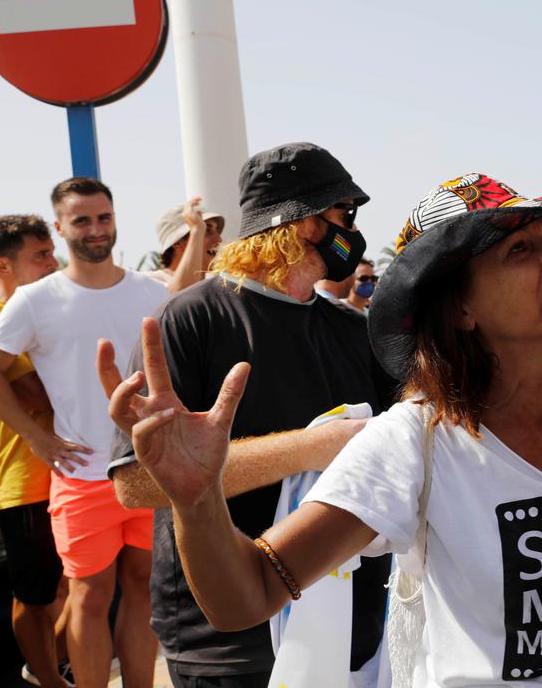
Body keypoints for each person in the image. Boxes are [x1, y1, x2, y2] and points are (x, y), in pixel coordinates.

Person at [106, 174, 542, 685]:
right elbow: (248, 596)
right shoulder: (413, 442)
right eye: (520, 249)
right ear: (459, 307)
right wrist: (197, 499)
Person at [101, 142, 397, 688]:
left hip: (350, 623)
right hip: (227, 636)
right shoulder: (191, 318)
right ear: (302, 223)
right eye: (344, 215)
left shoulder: (355, 331)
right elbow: (137, 485)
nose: (352, 232)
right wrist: (315, 447)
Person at [0, 178, 166, 688]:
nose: (95, 229)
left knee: (142, 591)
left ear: (114, 219)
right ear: (60, 227)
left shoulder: (154, 292)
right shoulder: (35, 300)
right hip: (82, 475)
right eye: (81, 220)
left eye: (103, 218)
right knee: (88, 597)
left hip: (147, 470)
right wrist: (36, 439)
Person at [0, 215, 71, 688]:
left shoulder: (48, 312)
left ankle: (47, 667)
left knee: (77, 583)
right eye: (39, 256)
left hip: (69, 472)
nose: (52, 263)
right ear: (3, 265)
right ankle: (46, 678)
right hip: (23, 479)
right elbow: (40, 394)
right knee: (33, 595)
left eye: (50, 252)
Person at [146, 197, 225, 294]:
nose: (219, 239)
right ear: (177, 243)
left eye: (216, 230)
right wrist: (197, 229)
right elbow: (179, 300)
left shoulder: (221, 284)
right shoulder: (151, 282)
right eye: (207, 230)